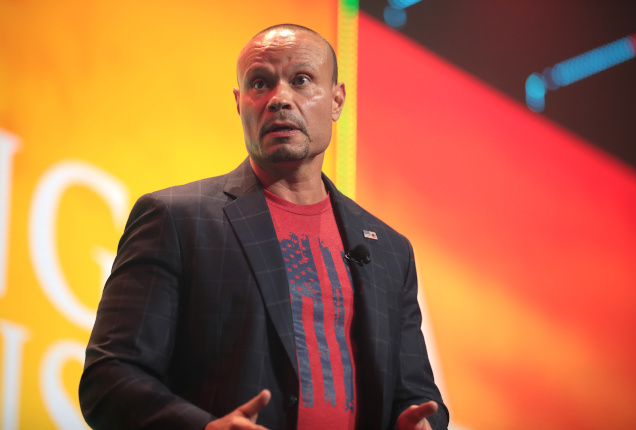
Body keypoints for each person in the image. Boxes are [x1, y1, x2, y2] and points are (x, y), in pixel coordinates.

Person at [79, 24, 449, 430]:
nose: (279, 99)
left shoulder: (390, 250)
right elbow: (109, 379)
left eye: (301, 80)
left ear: (337, 100)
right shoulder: (177, 220)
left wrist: (420, 424)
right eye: (260, 83)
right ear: (240, 104)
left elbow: (418, 395)